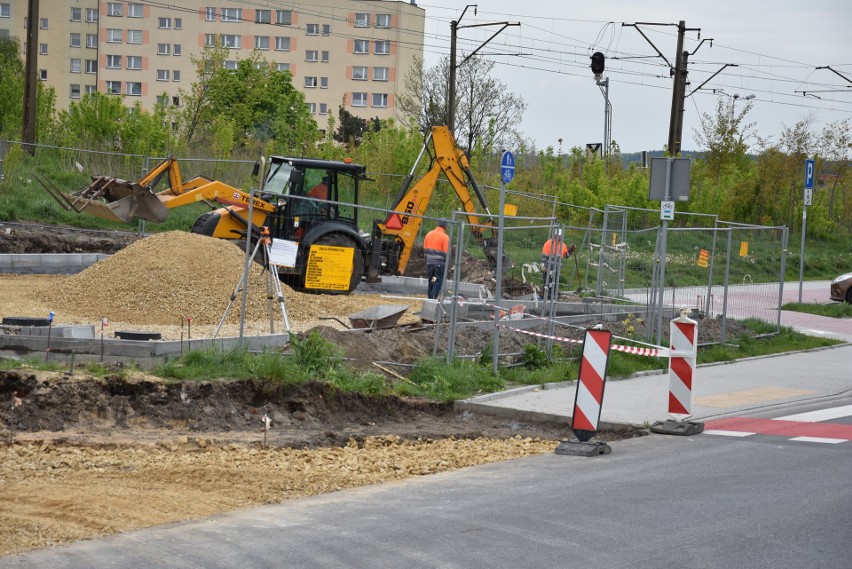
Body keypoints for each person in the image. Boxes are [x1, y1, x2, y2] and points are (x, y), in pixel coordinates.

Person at [541, 230, 574, 300]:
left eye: (559, 235)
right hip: (548, 268)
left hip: (557, 269)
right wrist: (544, 267)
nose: (558, 237)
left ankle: (552, 297)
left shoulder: (563, 245)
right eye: (557, 235)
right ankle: (546, 297)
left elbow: (566, 256)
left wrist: (571, 250)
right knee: (547, 283)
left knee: (555, 283)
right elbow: (544, 256)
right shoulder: (548, 243)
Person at [424, 219, 450, 300]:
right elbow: (446, 253)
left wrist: (429, 259)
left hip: (430, 263)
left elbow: (425, 250)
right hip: (439, 264)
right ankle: (433, 299)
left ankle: (430, 298)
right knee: (437, 282)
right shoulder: (445, 237)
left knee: (432, 281)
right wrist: (448, 261)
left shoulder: (429, 234)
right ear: (445, 227)